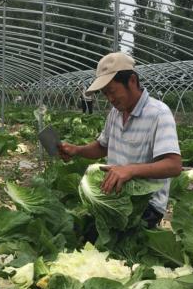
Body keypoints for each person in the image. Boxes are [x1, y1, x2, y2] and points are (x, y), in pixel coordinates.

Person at [58, 52, 182, 229]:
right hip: (115, 197)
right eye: (104, 94)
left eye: (112, 91)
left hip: (145, 205)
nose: (110, 99)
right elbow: (102, 147)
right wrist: (77, 150)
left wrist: (130, 170)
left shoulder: (158, 114)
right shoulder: (115, 113)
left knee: (105, 246)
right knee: (78, 231)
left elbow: (174, 165)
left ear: (131, 81)